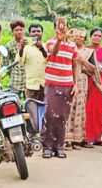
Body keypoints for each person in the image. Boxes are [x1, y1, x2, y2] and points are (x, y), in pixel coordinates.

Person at [41, 17, 77, 159]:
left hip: (67, 84)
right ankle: (48, 146)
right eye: (59, 26)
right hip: (52, 83)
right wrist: (60, 40)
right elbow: (53, 52)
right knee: (49, 115)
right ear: (55, 28)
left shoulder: (73, 46)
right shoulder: (50, 42)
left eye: (64, 26)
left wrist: (75, 84)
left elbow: (74, 65)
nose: (62, 29)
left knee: (62, 116)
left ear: (67, 27)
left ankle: (59, 146)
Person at [66, 28, 95, 150]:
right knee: (67, 109)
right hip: (67, 79)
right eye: (76, 36)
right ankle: (66, 139)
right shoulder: (68, 48)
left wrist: (83, 61)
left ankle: (77, 140)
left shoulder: (88, 52)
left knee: (80, 108)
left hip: (82, 81)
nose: (78, 38)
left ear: (84, 39)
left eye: (81, 37)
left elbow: (93, 69)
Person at [19, 23, 48, 133]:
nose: (36, 33)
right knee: (30, 110)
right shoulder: (26, 48)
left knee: (45, 110)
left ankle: (44, 133)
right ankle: (31, 134)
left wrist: (42, 49)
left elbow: (48, 60)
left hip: (44, 84)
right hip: (31, 84)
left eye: (38, 31)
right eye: (33, 31)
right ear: (30, 33)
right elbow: (20, 62)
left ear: (42, 33)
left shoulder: (46, 46)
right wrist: (21, 48)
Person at [84, 28, 102, 148]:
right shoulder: (85, 50)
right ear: (90, 36)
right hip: (88, 81)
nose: (97, 38)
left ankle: (98, 137)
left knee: (99, 110)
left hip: (100, 83)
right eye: (95, 35)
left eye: (99, 36)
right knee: (88, 110)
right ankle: (88, 137)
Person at [3, 20, 27, 96]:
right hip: (15, 79)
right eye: (16, 30)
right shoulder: (9, 46)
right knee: (14, 102)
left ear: (24, 30)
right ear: (12, 32)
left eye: (21, 30)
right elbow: (5, 64)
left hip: (28, 78)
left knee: (29, 103)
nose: (19, 32)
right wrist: (10, 74)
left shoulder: (29, 43)